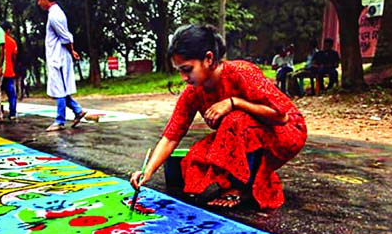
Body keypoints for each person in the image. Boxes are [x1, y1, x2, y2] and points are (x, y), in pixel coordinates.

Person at [129, 24, 307, 210]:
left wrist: (235, 102)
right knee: (199, 154)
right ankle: (239, 181)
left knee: (235, 120)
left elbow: (281, 117)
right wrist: (146, 171)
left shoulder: (242, 72)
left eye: (187, 69)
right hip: (251, 131)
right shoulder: (193, 92)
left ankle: (242, 188)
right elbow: (172, 135)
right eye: (179, 70)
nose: (183, 77)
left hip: (287, 131)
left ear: (208, 58)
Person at [34, 0, 87, 132]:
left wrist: (72, 50)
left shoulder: (54, 15)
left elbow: (65, 37)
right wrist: (72, 50)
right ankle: (77, 110)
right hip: (58, 56)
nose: (39, 3)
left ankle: (59, 120)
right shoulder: (55, 12)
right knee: (61, 90)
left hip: (58, 58)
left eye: (39, 0)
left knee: (59, 90)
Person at [0, 21, 18, 120]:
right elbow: (14, 57)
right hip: (9, 71)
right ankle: (12, 113)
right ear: (8, 30)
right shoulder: (12, 41)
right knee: (11, 94)